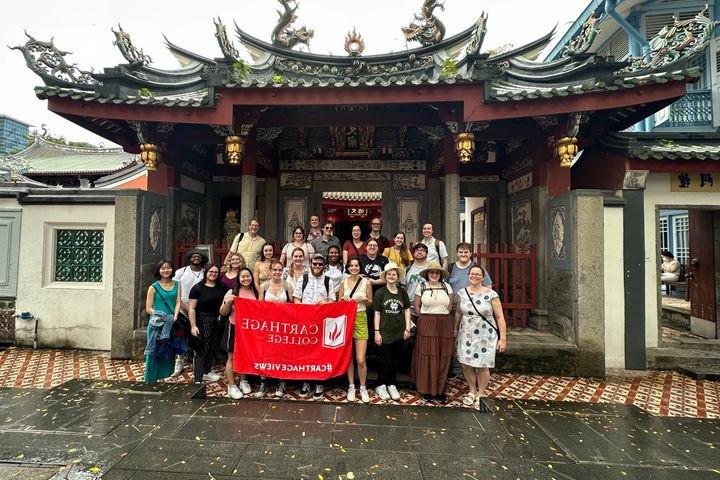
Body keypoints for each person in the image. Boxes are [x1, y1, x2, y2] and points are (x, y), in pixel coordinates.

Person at [454, 265, 507, 409]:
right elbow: (458, 313)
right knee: (465, 363)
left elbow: (499, 317)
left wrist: (503, 338)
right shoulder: (462, 293)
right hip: (466, 333)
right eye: (472, 274)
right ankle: (472, 389)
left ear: (483, 277)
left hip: (486, 335)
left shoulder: (491, 295)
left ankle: (481, 393)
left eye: (478, 274)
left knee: (483, 365)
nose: (474, 276)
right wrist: (455, 330)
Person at [294, 253, 336, 400]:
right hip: (305, 322)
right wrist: (304, 312)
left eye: (320, 264)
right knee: (305, 352)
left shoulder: (328, 281)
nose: (317, 266)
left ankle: (319, 382)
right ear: (310, 263)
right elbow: (296, 298)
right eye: (315, 263)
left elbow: (332, 300)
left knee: (319, 352)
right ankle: (305, 381)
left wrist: (325, 304)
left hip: (321, 323)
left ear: (324, 265)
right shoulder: (302, 279)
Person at [411, 261, 453, 403]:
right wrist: (425, 318)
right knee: (428, 355)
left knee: (442, 355)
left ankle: (439, 389)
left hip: (444, 323)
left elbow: (449, 305)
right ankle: (426, 389)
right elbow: (416, 306)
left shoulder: (446, 287)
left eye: (437, 272)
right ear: (427, 274)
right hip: (427, 323)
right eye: (431, 272)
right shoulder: (421, 286)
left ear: (440, 274)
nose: (434, 275)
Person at [372, 262, 412, 401]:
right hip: (384, 331)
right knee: (386, 360)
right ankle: (381, 384)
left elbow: (406, 310)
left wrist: (407, 328)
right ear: (385, 276)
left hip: (399, 331)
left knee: (395, 360)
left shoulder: (402, 291)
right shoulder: (380, 293)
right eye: (388, 274)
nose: (391, 276)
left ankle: (392, 384)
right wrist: (377, 332)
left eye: (393, 274)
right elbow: (377, 313)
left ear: (397, 277)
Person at [219, 267, 259, 399]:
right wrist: (228, 302)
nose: (246, 279)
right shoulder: (232, 291)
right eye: (243, 276)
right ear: (238, 278)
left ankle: (243, 380)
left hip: (249, 329)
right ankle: (231, 385)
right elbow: (223, 312)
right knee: (231, 357)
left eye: (248, 276)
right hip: (234, 326)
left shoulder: (255, 291)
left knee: (245, 355)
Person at [339, 257, 373, 403]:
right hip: (346, 318)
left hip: (360, 317)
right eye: (351, 266)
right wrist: (343, 299)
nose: (354, 268)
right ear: (348, 267)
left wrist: (364, 299)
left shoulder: (366, 282)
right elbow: (338, 301)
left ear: (360, 267)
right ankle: (351, 386)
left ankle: (363, 387)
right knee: (348, 356)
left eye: (356, 265)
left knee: (360, 359)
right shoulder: (343, 282)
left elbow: (371, 303)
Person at [171, 250, 208, 377]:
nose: (196, 258)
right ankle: (179, 362)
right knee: (180, 337)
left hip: (199, 311)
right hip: (182, 309)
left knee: (197, 338)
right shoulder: (181, 272)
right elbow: (176, 290)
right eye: (194, 256)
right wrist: (184, 306)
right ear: (190, 258)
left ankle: (197, 364)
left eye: (199, 257)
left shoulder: (205, 273)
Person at [144, 260, 181, 383]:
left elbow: (178, 302)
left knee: (167, 351)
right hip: (156, 325)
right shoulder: (153, 287)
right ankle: (150, 380)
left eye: (168, 268)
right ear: (158, 270)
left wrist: (174, 317)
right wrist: (161, 316)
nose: (166, 270)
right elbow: (149, 308)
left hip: (170, 323)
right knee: (153, 352)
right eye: (163, 268)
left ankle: (163, 377)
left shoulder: (177, 284)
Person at [188, 263, 225, 384]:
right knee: (201, 349)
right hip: (202, 320)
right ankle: (198, 379)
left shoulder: (221, 287)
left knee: (211, 347)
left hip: (217, 320)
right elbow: (191, 308)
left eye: (215, 272)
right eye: (211, 272)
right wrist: (193, 326)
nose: (213, 274)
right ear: (206, 273)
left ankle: (206, 372)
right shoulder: (197, 288)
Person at [262, 260, 293, 398]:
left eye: (279, 270)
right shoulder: (263, 286)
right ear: (270, 271)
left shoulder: (288, 286)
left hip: (283, 327)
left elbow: (293, 306)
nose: (277, 272)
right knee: (265, 354)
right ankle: (264, 381)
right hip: (268, 325)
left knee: (282, 354)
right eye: (274, 270)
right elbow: (258, 306)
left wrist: (284, 306)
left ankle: (282, 381)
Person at [405, 243, 429, 320]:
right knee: (410, 331)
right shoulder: (407, 270)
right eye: (417, 250)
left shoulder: (432, 269)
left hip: (427, 308)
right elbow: (403, 288)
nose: (419, 252)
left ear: (427, 253)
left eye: (422, 250)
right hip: (410, 308)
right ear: (413, 253)